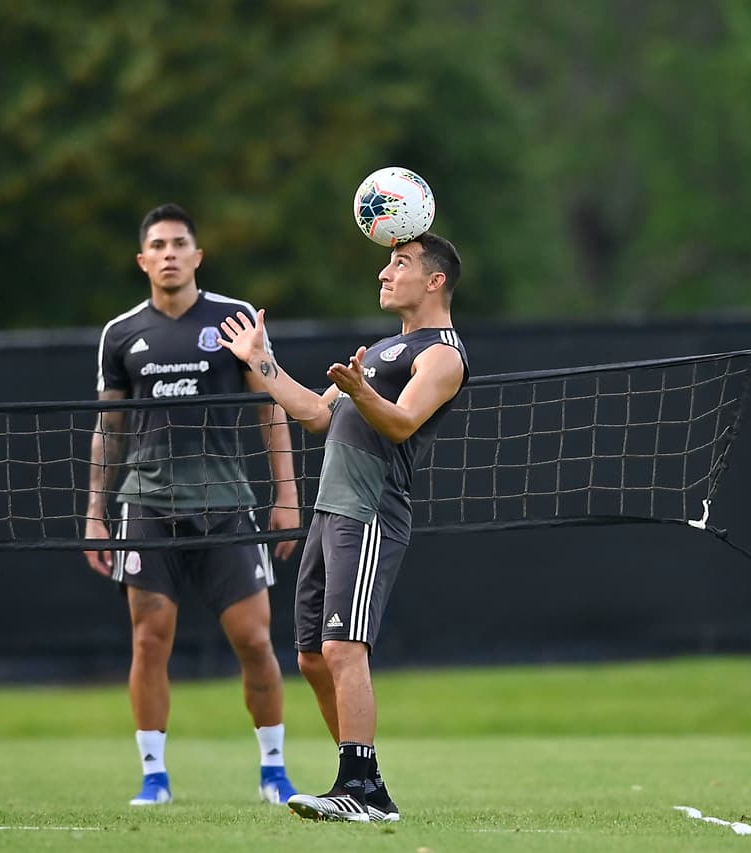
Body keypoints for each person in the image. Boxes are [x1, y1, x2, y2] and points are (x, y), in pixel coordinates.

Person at [218, 232, 469, 823]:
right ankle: (368, 783)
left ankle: (357, 787)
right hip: (330, 513)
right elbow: (314, 414)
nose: (385, 272)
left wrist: (360, 391)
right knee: (310, 657)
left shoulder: (443, 355)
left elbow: (403, 423)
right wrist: (260, 360)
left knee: (342, 647)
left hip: (370, 511)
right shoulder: (383, 349)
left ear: (434, 281)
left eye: (399, 263)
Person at [83, 203, 301, 807]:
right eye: (158, 244)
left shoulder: (234, 320)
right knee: (150, 640)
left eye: (180, 242)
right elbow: (110, 429)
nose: (170, 253)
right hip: (147, 506)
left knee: (255, 641)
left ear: (197, 255)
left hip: (227, 504)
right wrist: (95, 513)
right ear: (143, 260)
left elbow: (270, 406)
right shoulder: (120, 334)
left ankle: (274, 770)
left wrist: (287, 498)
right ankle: (154, 776)